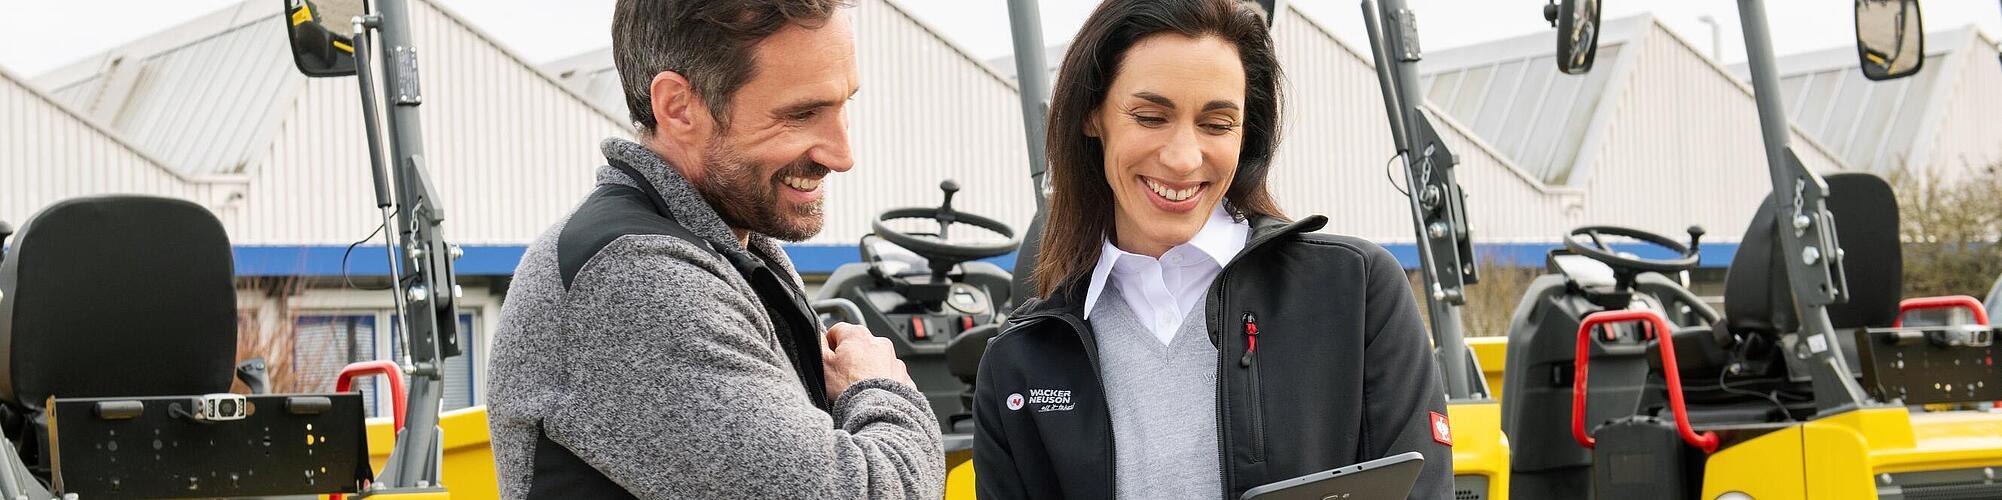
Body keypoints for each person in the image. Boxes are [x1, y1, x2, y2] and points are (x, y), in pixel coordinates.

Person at [971, 0, 1453, 498]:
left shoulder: (1356, 293)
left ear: (1247, 134)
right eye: (1151, 116)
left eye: (1217, 124)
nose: (1183, 158)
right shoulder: (1019, 360)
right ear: (1093, 115)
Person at [485, 1, 944, 498]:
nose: (842, 154)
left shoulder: (728, 247)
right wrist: (877, 389)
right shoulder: (635, 280)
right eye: (802, 113)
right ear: (679, 107)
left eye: (843, 104)